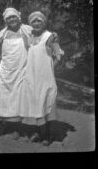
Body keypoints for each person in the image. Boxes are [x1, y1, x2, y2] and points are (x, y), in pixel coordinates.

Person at [19, 11, 64, 145]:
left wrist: (50, 69)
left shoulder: (50, 37)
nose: (36, 23)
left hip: (45, 78)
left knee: (46, 106)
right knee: (36, 106)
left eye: (39, 21)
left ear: (44, 23)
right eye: (33, 21)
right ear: (30, 24)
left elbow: (59, 56)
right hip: (32, 78)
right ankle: (39, 133)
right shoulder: (30, 37)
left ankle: (47, 136)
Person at [0, 7, 32, 138]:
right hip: (4, 71)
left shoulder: (27, 30)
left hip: (21, 71)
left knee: (18, 99)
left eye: (13, 17)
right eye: (8, 18)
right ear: (5, 21)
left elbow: (40, 39)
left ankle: (16, 129)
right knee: (1, 97)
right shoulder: (3, 33)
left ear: (18, 17)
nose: (11, 19)